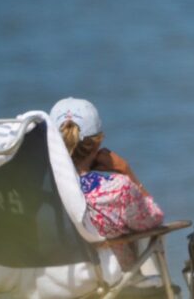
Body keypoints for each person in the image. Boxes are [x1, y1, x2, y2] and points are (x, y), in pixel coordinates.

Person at [50, 97, 163, 270]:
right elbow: (154, 219)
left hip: (53, 284)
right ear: (98, 141)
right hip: (112, 286)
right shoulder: (116, 188)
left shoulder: (43, 188)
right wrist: (126, 171)